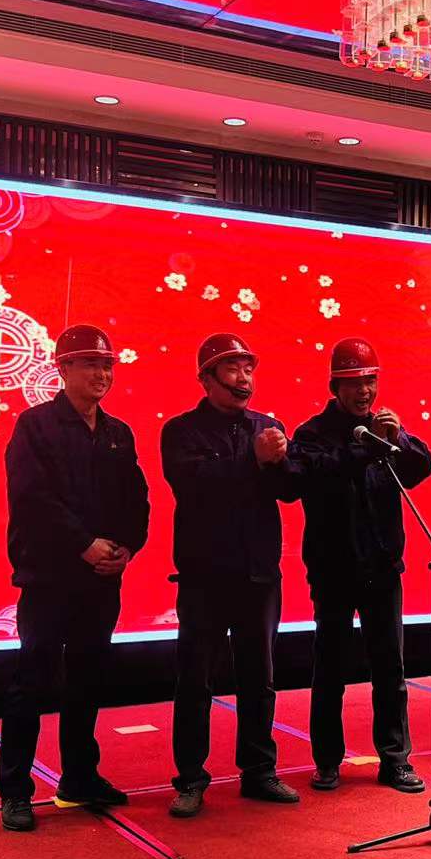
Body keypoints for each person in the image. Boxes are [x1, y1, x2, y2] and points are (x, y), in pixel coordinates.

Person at [0, 324, 150, 833]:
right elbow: (32, 499)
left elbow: (136, 498)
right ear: (63, 368)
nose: (101, 374)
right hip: (48, 577)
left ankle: (80, 778)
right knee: (32, 681)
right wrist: (83, 544)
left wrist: (126, 547)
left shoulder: (117, 432)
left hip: (101, 580)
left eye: (106, 365)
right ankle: (15, 791)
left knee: (87, 680)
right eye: (89, 364)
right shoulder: (35, 425)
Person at [159, 333, 301, 817]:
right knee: (195, 680)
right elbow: (193, 484)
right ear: (206, 378)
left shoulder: (268, 426)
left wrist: (281, 460)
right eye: (233, 370)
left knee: (259, 677)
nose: (244, 379)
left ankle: (259, 771)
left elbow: (289, 490)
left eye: (248, 370)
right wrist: (253, 459)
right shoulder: (181, 430)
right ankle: (190, 779)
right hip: (203, 575)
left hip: (259, 574)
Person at [292, 338, 431, 794]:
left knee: (390, 668)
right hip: (332, 568)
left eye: (370, 381)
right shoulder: (312, 434)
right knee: (329, 669)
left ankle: (395, 760)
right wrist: (367, 448)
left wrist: (399, 438)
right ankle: (327, 761)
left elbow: (421, 467)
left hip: (383, 566)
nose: (364, 391)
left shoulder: (383, 430)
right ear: (335, 386)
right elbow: (312, 475)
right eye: (354, 382)